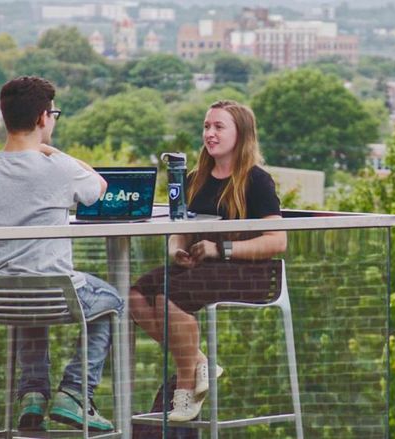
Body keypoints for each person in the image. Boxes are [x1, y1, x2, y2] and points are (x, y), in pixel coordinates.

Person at [0, 76, 123, 432]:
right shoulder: (56, 168)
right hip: (55, 293)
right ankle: (75, 393)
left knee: (29, 291)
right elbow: (99, 187)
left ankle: (32, 394)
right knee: (111, 299)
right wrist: (52, 150)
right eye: (53, 115)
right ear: (44, 118)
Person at [129, 100, 287, 422]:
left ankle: (186, 388)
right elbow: (180, 233)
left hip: (249, 272)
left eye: (219, 127)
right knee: (135, 295)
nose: (210, 134)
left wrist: (222, 249)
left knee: (167, 294)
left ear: (240, 134)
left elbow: (277, 240)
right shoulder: (193, 178)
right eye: (206, 127)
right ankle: (199, 360)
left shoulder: (257, 180)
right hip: (201, 270)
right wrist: (176, 250)